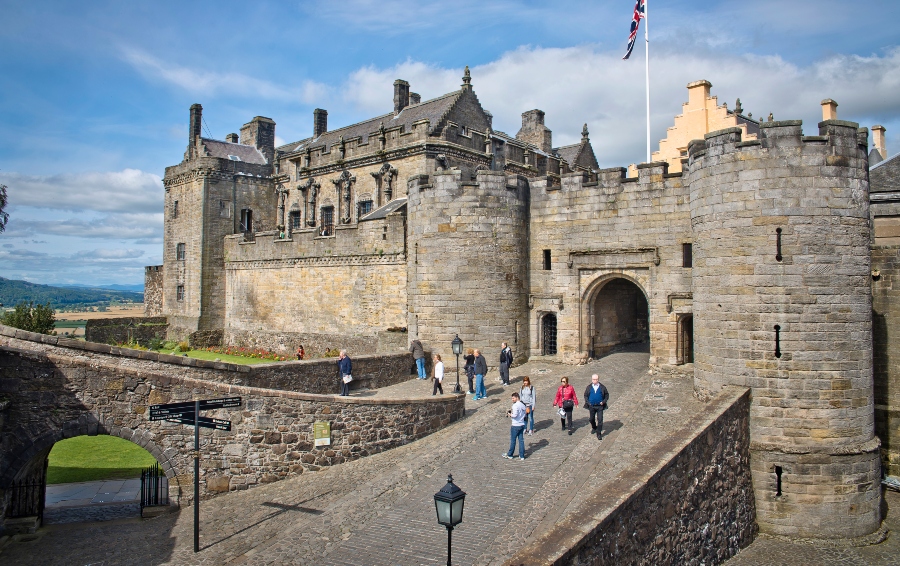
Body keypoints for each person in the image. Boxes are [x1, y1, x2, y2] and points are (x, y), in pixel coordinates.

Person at [584, 374, 609, 440]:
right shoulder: (589, 387)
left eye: (596, 379)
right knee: (591, 419)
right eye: (593, 379)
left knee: (600, 420)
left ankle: (599, 433)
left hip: (599, 406)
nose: (594, 381)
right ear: (591, 379)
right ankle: (594, 427)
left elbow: (606, 395)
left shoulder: (602, 387)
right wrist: (588, 402)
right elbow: (585, 395)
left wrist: (603, 402)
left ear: (598, 379)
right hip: (592, 406)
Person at [503, 392, 527, 460]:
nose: (512, 399)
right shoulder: (523, 405)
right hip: (522, 424)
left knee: (513, 440)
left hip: (515, 425)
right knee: (521, 440)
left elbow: (515, 415)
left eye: (513, 398)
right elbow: (524, 414)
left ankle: (510, 454)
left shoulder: (515, 405)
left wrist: (509, 414)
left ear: (517, 397)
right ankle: (522, 455)